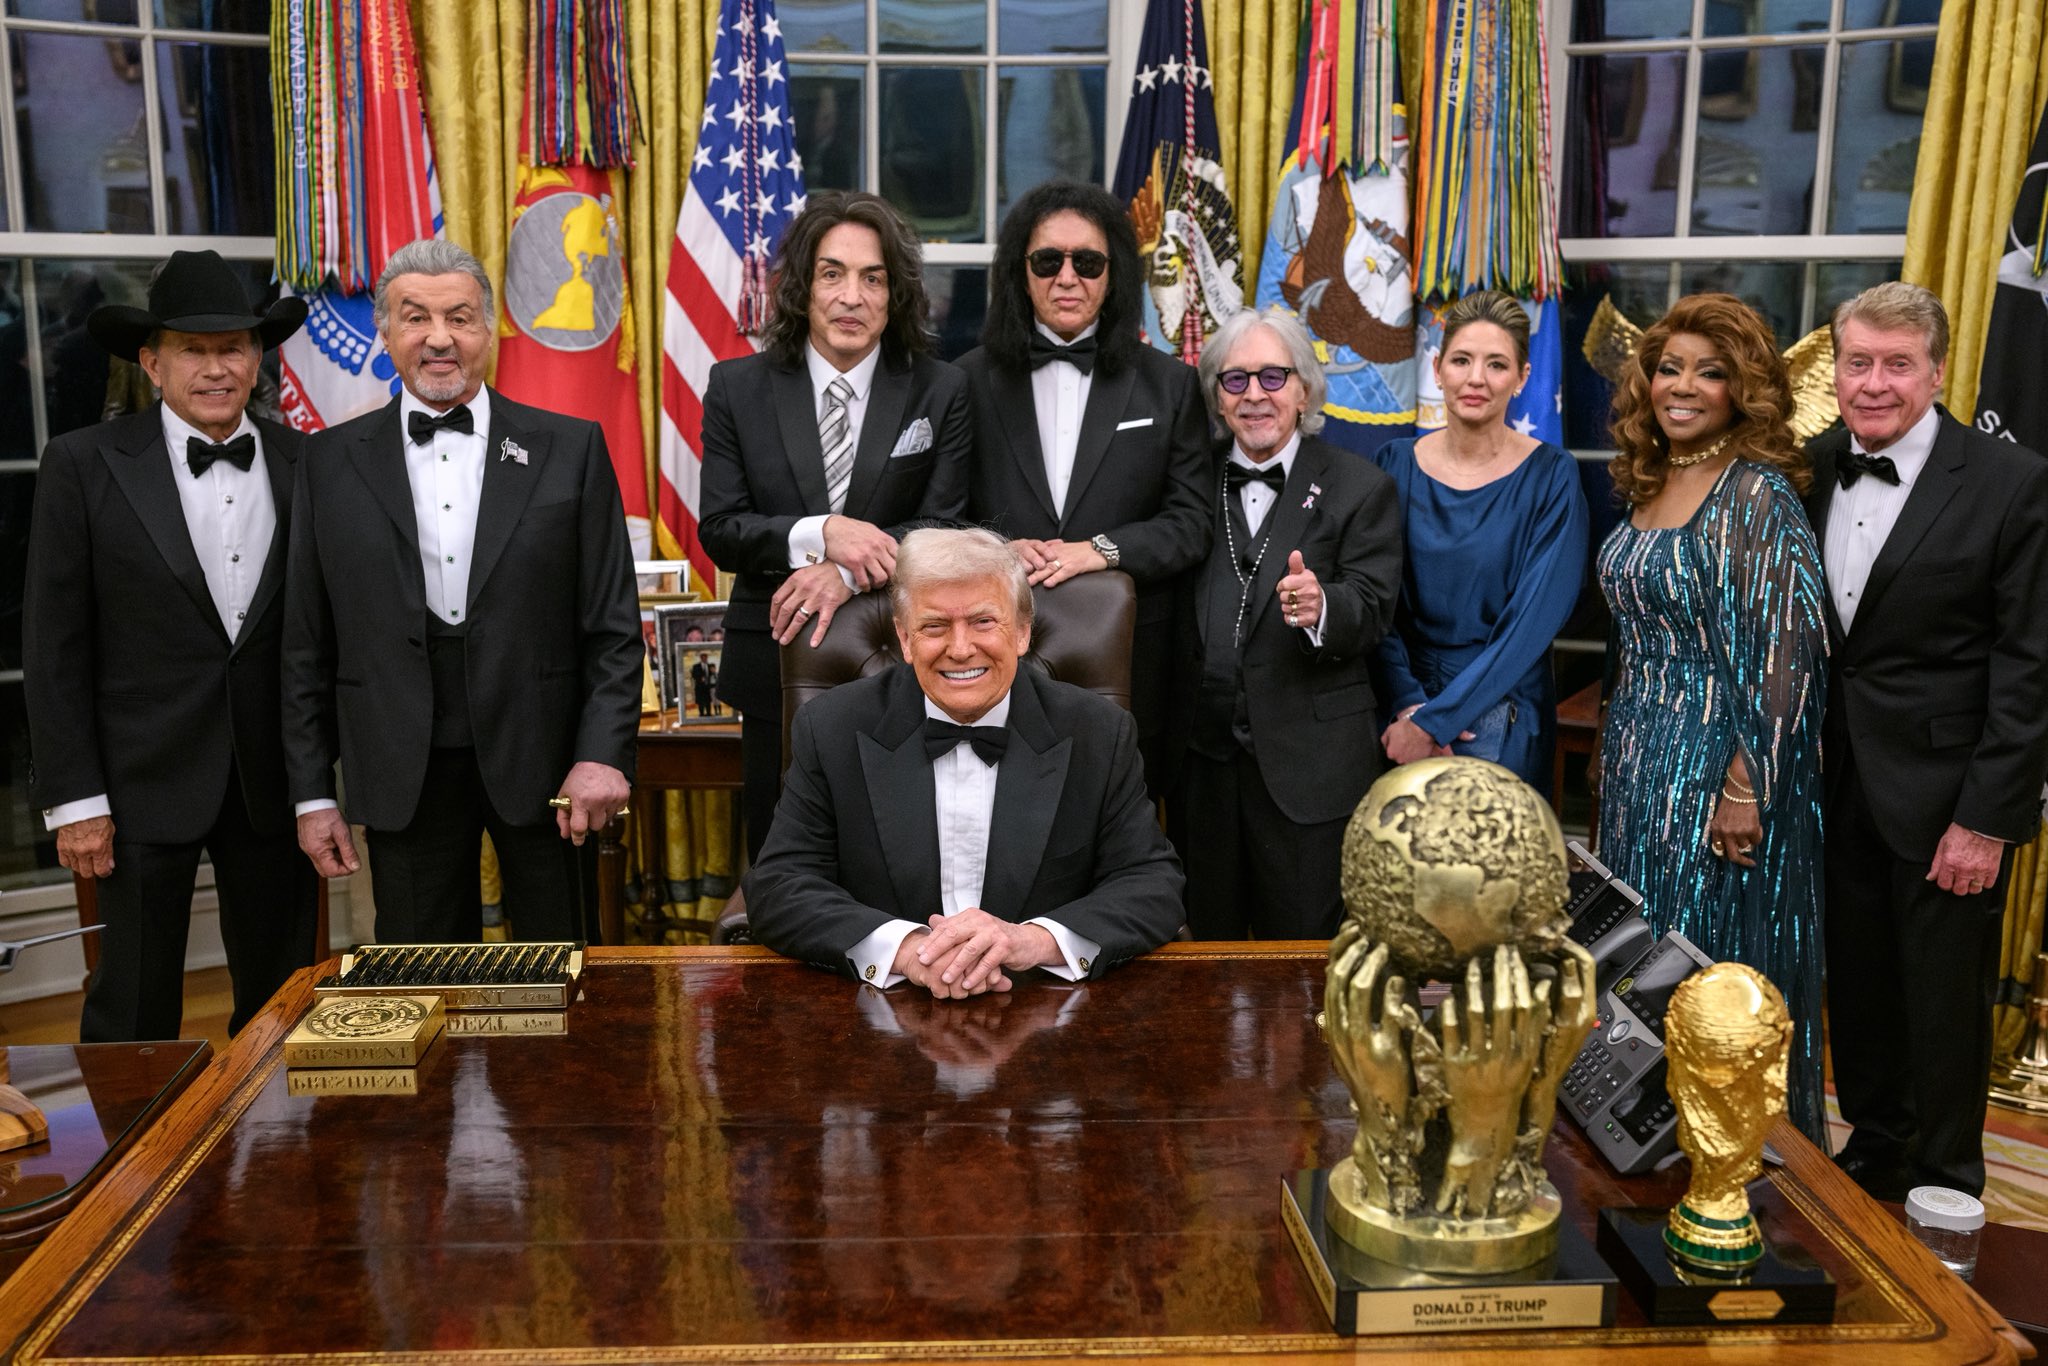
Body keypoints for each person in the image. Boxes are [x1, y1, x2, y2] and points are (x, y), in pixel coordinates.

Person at [283, 238, 642, 944]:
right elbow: (305, 644)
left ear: (489, 330)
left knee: (563, 978)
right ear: (385, 333)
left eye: (460, 317)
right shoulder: (325, 462)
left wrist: (602, 751)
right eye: (416, 318)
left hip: (549, 766)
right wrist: (312, 792)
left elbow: (612, 627)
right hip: (398, 767)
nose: (439, 338)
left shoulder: (572, 449)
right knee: (422, 984)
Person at [23, 249, 320, 1040]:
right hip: (136, 785)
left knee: (284, 1002)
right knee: (132, 1004)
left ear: (257, 359)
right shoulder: (81, 466)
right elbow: (54, 649)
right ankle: (136, 1126)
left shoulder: (307, 463)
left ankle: (275, 1122)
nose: (217, 368)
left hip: (272, 780)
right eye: (193, 349)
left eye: (233, 348)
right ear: (152, 364)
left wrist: (320, 782)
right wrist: (76, 801)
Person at [1805, 282, 2048, 1198]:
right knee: (1858, 985)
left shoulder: (2012, 482)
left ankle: (1947, 1181)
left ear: (1938, 372)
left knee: (1944, 1005)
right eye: (1858, 361)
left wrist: (1986, 820)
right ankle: (1874, 1148)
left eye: (1898, 365)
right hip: (1834, 782)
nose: (1874, 383)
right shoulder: (1809, 465)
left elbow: (2030, 669)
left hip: (1949, 798)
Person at [747, 527, 1184, 994]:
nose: (960, 649)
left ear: (1022, 631)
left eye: (983, 621)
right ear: (904, 637)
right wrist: (908, 951)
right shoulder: (830, 728)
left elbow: (1150, 884)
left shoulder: (1098, 732)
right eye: (934, 626)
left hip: (1042, 1003)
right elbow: (780, 884)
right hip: (881, 1005)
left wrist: (1030, 941)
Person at [1595, 292, 1828, 1144]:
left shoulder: (1757, 495)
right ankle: (1637, 1140)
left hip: (1715, 767)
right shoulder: (1651, 479)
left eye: (1710, 372)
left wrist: (1745, 784)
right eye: (1669, 369)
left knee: (1705, 965)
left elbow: (1789, 656)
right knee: (1638, 955)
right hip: (1639, 761)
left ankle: (1726, 1157)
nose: (1683, 386)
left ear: (1744, 389)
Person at [699, 192, 972, 861]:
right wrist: (822, 532)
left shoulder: (940, 389)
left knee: (898, 859)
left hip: (904, 661)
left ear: (895, 295)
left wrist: (846, 572)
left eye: (873, 278)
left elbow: (946, 525)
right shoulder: (737, 387)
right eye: (833, 274)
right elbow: (722, 528)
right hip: (774, 659)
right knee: (781, 861)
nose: (853, 296)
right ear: (802, 287)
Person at [956, 181, 1211, 793]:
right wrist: (996, 550)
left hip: (1135, 662)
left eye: (1088, 262)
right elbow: (938, 515)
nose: (1067, 278)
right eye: (1048, 260)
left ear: (1113, 274)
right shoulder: (964, 381)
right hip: (991, 657)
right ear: (1021, 273)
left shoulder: (1171, 385)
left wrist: (1101, 550)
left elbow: (1192, 522)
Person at [1168, 307, 1402, 940]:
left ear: (1304, 391)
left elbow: (1375, 607)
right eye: (1235, 379)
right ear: (1217, 398)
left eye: (1273, 377)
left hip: (1311, 768)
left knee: (1302, 964)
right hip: (1201, 768)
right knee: (1205, 958)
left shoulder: (1361, 486)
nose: (1254, 395)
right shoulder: (1185, 481)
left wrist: (1325, 607)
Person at [1374, 291, 1588, 789]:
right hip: (1400, 709)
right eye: (1461, 360)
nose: (1476, 378)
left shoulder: (1552, 476)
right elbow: (1374, 600)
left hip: (1502, 712)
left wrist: (1435, 722)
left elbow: (1532, 624)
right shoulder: (1393, 463)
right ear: (1437, 368)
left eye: (1496, 364)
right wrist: (1407, 704)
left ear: (1522, 377)